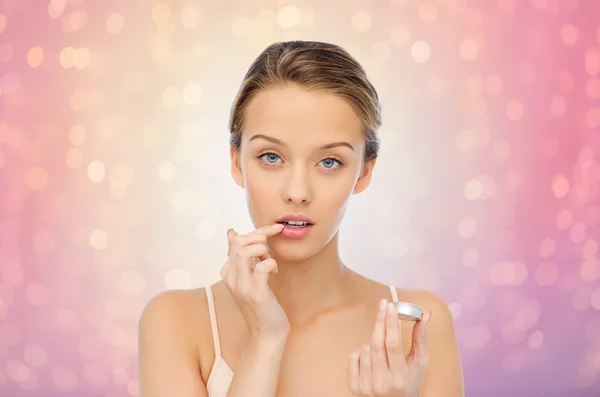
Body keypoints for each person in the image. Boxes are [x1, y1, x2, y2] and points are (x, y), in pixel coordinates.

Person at [138, 40, 464, 397]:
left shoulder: (415, 326)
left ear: (364, 172)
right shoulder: (175, 322)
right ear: (236, 162)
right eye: (271, 157)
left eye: (329, 162)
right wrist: (265, 338)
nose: (297, 191)